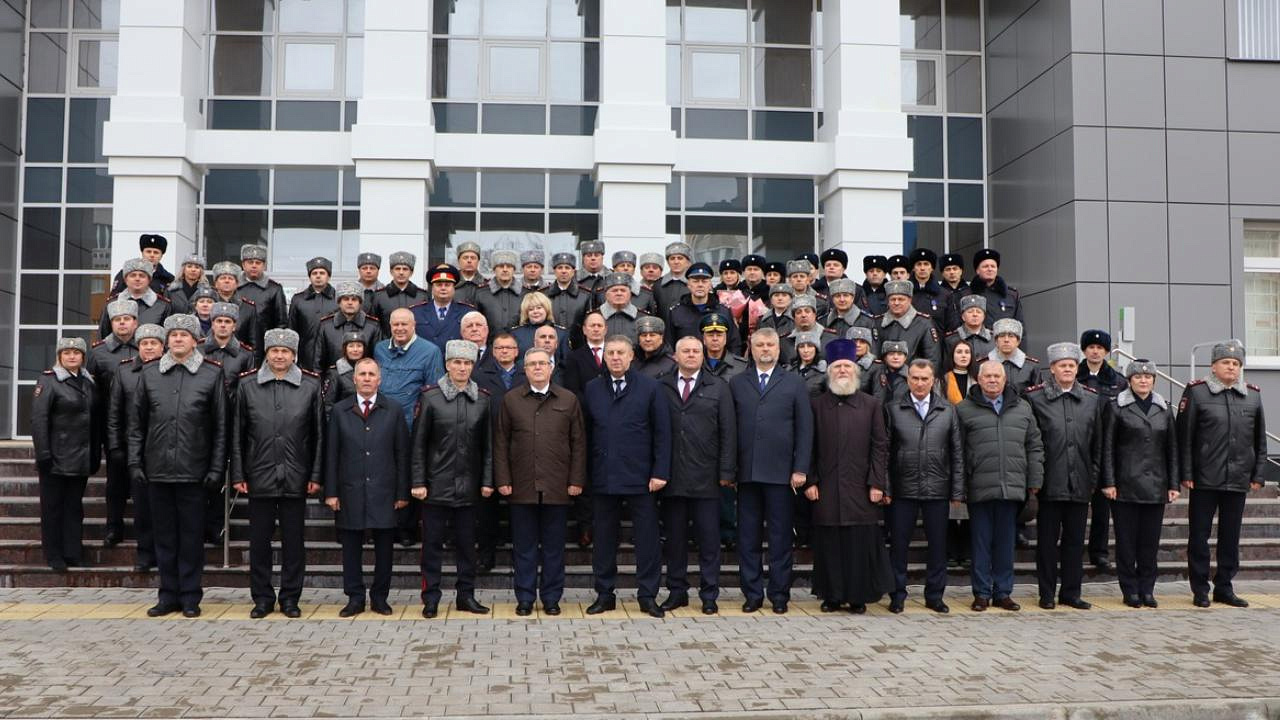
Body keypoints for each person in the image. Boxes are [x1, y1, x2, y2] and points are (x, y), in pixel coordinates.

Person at [128, 314, 227, 618]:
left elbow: (220, 426)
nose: (179, 339)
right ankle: (167, 595)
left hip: (194, 471)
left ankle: (190, 596)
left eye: (185, 335)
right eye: (173, 335)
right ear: (167, 341)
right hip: (157, 469)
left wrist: (216, 468)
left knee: (191, 538)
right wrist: (135, 461)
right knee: (164, 537)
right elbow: (136, 424)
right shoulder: (150, 373)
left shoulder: (211, 374)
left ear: (196, 340)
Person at [230, 329, 323, 619]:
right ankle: (262, 598)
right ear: (266, 353)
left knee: (294, 542)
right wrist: (238, 473)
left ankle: (291, 598)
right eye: (274, 351)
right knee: (259, 542)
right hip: (259, 474)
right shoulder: (247, 385)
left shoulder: (310, 385)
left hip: (296, 475)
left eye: (285, 351)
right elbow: (237, 433)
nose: (279, 356)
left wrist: (316, 474)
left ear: (294, 355)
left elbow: (319, 435)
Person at [581, 336, 672, 618]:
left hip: (641, 477)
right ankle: (604, 594)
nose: (616, 357)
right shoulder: (592, 388)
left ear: (632, 356)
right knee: (604, 539)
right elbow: (586, 434)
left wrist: (660, 471)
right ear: (604, 357)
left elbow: (662, 433)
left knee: (647, 539)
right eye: (610, 353)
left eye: (621, 352)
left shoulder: (650, 387)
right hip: (604, 476)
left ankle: (647, 595)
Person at [494, 347, 587, 615]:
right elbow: (501, 442)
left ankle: (551, 598)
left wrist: (576, 479)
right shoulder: (511, 399)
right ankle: (525, 597)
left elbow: (578, 443)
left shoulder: (568, 399)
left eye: (542, 363)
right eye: (532, 364)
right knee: (523, 547)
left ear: (551, 368)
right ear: (524, 369)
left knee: (554, 548)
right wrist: (503, 479)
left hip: (557, 486)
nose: (537, 368)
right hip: (521, 486)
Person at [1177, 340, 1267, 608]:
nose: (1231, 367)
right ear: (1213, 366)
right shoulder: (1197, 392)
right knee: (1199, 536)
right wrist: (1186, 472)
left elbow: (1259, 440)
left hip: (1238, 478)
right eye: (1226, 362)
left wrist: (1258, 474)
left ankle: (1224, 587)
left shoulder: (1252, 395)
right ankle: (1200, 588)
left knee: (1230, 537)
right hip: (1204, 478)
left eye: (1236, 363)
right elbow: (1184, 437)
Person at [729, 327, 814, 613]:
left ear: (778, 349)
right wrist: (730, 470)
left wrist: (800, 468)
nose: (765, 349)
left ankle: (779, 594)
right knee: (748, 538)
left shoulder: (794, 382)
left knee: (780, 538)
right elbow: (729, 429)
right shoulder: (737, 382)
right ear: (751, 349)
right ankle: (752, 594)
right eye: (760, 345)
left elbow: (805, 429)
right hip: (747, 473)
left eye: (770, 345)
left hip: (781, 474)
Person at [806, 339, 892, 613]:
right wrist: (810, 480)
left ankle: (857, 597)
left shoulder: (871, 405)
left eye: (847, 366)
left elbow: (880, 446)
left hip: (861, 488)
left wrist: (877, 482)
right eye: (837, 366)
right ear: (829, 372)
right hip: (826, 487)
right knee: (830, 544)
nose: (842, 370)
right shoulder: (816, 405)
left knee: (859, 544)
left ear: (855, 371)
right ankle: (831, 596)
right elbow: (808, 446)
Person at [410, 340, 492, 618]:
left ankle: (466, 596)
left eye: (467, 363)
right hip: (436, 485)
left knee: (467, 546)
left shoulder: (482, 399)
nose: (462, 368)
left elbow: (488, 446)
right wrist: (418, 481)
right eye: (457, 362)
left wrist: (487, 481)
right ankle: (431, 597)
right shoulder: (431, 397)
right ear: (447, 365)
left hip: (469, 486)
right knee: (432, 546)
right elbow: (418, 444)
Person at [324, 357, 411, 617]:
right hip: (350, 489)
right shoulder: (340, 410)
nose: (366, 379)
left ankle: (380, 598)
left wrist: (402, 492)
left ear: (379, 380)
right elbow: (332, 454)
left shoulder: (393, 410)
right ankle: (355, 597)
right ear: (354, 379)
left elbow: (402, 454)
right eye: (362, 374)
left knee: (385, 550)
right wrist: (331, 492)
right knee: (351, 549)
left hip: (384, 490)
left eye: (371, 374)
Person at [956, 360, 1043, 612]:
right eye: (988, 376)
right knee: (980, 543)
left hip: (1012, 487)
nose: (993, 380)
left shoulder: (1022, 408)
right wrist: (960, 486)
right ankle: (981, 593)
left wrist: (1034, 481)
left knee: (1005, 544)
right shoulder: (963, 409)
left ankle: (1003, 592)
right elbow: (957, 450)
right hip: (979, 487)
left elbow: (1034, 446)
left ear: (1005, 380)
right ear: (979, 379)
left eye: (997, 376)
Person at [658, 336, 736, 615]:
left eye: (696, 351)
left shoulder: (719, 387)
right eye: (686, 351)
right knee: (675, 541)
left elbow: (728, 432)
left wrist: (727, 471)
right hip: (673, 477)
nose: (691, 355)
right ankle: (676, 591)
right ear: (675, 356)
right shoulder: (662, 386)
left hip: (708, 478)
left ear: (703, 356)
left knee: (709, 541)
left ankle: (709, 594)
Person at [1025, 342, 1102, 611]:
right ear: (1052, 369)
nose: (1067, 369)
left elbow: (1097, 443)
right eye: (1062, 365)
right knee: (1047, 543)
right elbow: (1031, 442)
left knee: (1075, 542)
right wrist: (1035, 479)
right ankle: (1046, 593)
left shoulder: (1091, 399)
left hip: (1080, 482)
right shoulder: (1035, 398)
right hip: (1049, 483)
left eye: (1071, 365)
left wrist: (1093, 477)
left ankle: (1071, 592)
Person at [885, 359, 963, 614]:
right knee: (898, 546)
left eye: (924, 379)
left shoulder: (948, 410)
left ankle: (935, 595)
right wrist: (886, 487)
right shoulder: (893, 409)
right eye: (915, 378)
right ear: (908, 380)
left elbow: (957, 452)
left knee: (938, 546)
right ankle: (897, 595)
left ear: (933, 381)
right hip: (902, 488)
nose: (920, 383)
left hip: (937, 487)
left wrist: (957, 490)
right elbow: (885, 452)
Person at [1101, 359, 1179, 608]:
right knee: (1126, 542)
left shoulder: (1164, 408)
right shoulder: (1116, 407)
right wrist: (1109, 482)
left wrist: (1173, 484)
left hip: (1156, 485)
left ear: (1154, 381)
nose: (1143, 381)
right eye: (1137, 377)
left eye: (1148, 377)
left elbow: (1172, 449)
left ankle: (1147, 589)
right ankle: (1130, 589)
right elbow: (1107, 447)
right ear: (1129, 381)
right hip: (1125, 485)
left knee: (1149, 543)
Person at [374, 307, 444, 546]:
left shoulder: (430, 351)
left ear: (414, 325)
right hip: (382, 426)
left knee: (408, 476)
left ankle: (406, 529)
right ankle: (383, 526)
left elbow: (433, 391)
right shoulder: (380, 349)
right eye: (395, 324)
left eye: (404, 324)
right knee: (383, 476)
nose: (400, 328)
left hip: (412, 426)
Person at [31, 337, 100, 572]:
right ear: (59, 356)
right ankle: (54, 554)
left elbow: (93, 421)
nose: (72, 356)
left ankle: (73, 552)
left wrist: (93, 453)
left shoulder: (89, 382)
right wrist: (43, 454)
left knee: (74, 508)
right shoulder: (49, 381)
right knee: (53, 508)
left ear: (83, 357)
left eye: (76, 353)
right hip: (55, 457)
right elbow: (39, 420)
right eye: (67, 352)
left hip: (80, 457)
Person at [107, 323, 165, 570]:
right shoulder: (125, 372)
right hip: (134, 449)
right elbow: (114, 412)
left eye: (154, 343)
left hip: (163, 448)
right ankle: (145, 555)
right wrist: (115, 446)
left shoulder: (170, 371)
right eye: (144, 343)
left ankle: (163, 555)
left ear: (163, 347)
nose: (149, 347)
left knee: (163, 508)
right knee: (142, 507)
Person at [201, 301, 255, 544]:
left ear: (235, 326)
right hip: (203, 420)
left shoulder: (245, 354)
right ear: (212, 324)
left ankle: (216, 525)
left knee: (224, 475)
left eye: (227, 322)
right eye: (218, 321)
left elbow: (248, 388)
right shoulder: (199, 349)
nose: (223, 325)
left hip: (233, 419)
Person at [87, 299, 139, 548]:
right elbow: (91, 393)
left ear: (135, 322)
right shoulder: (98, 353)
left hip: (144, 427)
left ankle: (144, 530)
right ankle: (113, 528)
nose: (122, 324)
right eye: (117, 320)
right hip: (113, 426)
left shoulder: (147, 347)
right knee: (115, 482)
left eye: (126, 319)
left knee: (142, 482)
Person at [471, 331, 523, 572]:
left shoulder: (526, 374)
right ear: (492, 352)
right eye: (500, 348)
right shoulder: (479, 376)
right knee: (486, 508)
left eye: (508, 348)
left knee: (520, 507)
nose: (504, 351)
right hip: (489, 447)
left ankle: (521, 557)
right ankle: (486, 555)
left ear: (517, 351)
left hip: (521, 447)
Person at [1079, 328, 1126, 571]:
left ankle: (1099, 551)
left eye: (1100, 348)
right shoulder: (1074, 375)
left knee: (1102, 505)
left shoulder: (1118, 381)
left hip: (1106, 446)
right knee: (1076, 504)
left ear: (1107, 352)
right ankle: (1073, 549)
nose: (1095, 352)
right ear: (1084, 350)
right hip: (1079, 445)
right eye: (1091, 347)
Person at [666, 262, 743, 354]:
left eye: (704, 281)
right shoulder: (676, 312)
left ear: (710, 285)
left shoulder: (724, 311)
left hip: (717, 362)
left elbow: (734, 344)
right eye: (695, 281)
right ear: (688, 285)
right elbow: (669, 345)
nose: (700, 285)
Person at [946, 248, 1023, 331]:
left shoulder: (1011, 295)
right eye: (985, 266)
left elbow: (1020, 327)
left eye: (993, 266)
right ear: (977, 270)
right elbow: (957, 326)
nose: (990, 269)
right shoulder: (964, 295)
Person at [877, 280, 942, 375]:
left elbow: (932, 358)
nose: (896, 303)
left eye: (901, 299)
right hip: (882, 378)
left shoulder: (923, 323)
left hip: (914, 378)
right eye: (893, 299)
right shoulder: (878, 322)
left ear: (910, 300)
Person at [314, 282, 381, 371]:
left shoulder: (372, 326)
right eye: (346, 299)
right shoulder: (326, 326)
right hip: (333, 377)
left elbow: (377, 360)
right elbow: (318, 361)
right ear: (339, 302)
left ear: (360, 302)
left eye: (354, 299)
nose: (350, 303)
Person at [99, 258, 173, 338]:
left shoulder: (163, 305)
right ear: (125, 279)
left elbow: (167, 338)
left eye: (142, 276)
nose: (137, 279)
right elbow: (103, 336)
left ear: (149, 280)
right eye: (133, 275)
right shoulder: (113, 303)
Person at [287, 257, 338, 371]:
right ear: (309, 276)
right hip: (305, 359)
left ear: (329, 276)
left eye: (322, 273)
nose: (318, 276)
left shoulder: (338, 299)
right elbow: (292, 330)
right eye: (314, 273)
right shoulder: (298, 299)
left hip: (332, 359)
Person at [411, 263, 471, 354]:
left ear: (454, 288)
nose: (443, 288)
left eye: (447, 285)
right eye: (439, 285)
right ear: (432, 288)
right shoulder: (416, 312)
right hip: (426, 361)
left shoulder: (467, 312)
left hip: (455, 361)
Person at [210, 261, 263, 363]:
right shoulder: (207, 305)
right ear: (216, 283)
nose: (227, 281)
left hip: (238, 360)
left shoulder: (248, 308)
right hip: (210, 359)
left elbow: (254, 342)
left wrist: (253, 364)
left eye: (230, 278)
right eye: (223, 278)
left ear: (237, 283)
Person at [370, 252, 426, 336]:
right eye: (397, 269)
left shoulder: (422, 296)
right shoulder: (379, 296)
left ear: (411, 272)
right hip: (387, 342)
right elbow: (373, 326)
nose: (401, 272)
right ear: (391, 271)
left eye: (405, 269)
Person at [237, 244, 288, 333]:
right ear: (243, 265)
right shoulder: (234, 287)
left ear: (264, 266)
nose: (254, 266)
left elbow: (281, 323)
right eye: (250, 262)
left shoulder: (274, 289)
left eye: (258, 263)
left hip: (264, 339)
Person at [547, 252, 592, 346]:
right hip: (550, 344)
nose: (563, 271)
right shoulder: (544, 294)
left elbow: (589, 322)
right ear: (554, 270)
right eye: (560, 268)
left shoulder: (585, 295)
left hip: (578, 346)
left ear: (573, 271)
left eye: (567, 268)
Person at [477, 249, 524, 333]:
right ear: (494, 269)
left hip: (518, 340)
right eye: (501, 266)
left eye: (509, 266)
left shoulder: (524, 293)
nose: (505, 269)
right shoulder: (481, 294)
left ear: (514, 269)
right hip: (491, 340)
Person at [110, 233, 174, 295]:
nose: (152, 255)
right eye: (148, 252)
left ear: (161, 255)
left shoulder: (168, 278)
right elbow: (114, 297)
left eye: (156, 252)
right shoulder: (126, 273)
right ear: (142, 253)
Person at [511, 291, 568, 361]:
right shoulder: (516, 334)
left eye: (539, 308)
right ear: (526, 313)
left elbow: (566, 360)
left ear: (546, 309)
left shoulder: (561, 333)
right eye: (531, 309)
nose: (535, 311)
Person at [988, 318, 1041, 393]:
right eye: (1002, 336)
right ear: (996, 341)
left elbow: (1038, 395)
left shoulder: (1031, 366)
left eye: (1011, 336)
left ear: (1018, 341)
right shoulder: (984, 365)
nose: (1006, 340)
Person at [321, 332, 366, 420]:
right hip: (344, 421)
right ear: (345, 349)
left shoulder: (369, 370)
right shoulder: (335, 373)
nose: (355, 349)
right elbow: (328, 406)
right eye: (351, 346)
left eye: (359, 346)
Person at [822, 278, 877, 348]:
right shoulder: (823, 321)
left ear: (852, 298)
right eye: (837, 296)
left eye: (845, 295)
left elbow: (873, 350)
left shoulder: (867, 322)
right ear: (832, 299)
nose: (842, 299)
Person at [908, 248, 951, 334]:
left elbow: (950, 326)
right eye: (918, 264)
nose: (922, 268)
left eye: (926, 264)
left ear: (932, 268)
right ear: (913, 268)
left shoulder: (945, 294)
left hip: (937, 341)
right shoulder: (905, 293)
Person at [944, 295, 993, 366]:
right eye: (970, 312)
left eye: (979, 312)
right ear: (963, 317)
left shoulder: (993, 339)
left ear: (984, 316)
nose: (975, 314)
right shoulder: (951, 340)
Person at [700, 312, 749, 381]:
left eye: (719, 335)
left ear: (725, 338)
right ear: (704, 339)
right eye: (710, 335)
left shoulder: (741, 366)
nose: (715, 339)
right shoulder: (695, 363)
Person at [599, 272, 645, 342]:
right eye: (614, 291)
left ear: (630, 294)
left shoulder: (642, 318)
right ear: (606, 294)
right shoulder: (595, 316)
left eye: (623, 290)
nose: (619, 293)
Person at [653, 241, 692, 321]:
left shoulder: (694, 284)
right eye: (672, 258)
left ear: (688, 262)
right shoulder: (658, 285)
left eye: (680, 258)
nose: (676, 262)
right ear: (668, 262)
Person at [790, 331, 827, 399]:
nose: (806, 350)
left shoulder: (823, 372)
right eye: (801, 346)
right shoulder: (790, 370)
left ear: (816, 348)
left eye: (810, 346)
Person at [454, 242, 485, 306]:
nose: (469, 261)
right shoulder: (450, 284)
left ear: (478, 261)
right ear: (458, 261)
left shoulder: (486, 286)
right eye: (465, 258)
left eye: (473, 258)